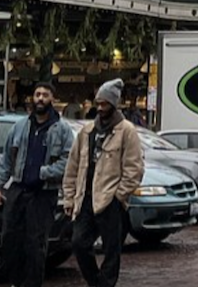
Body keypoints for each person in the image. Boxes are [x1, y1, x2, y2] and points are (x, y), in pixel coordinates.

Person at [63, 78, 144, 287]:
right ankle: (95, 282)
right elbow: (73, 166)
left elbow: (134, 168)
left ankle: (105, 284)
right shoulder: (87, 131)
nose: (100, 108)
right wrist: (69, 197)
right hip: (85, 198)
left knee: (112, 250)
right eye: (98, 103)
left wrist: (119, 195)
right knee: (79, 243)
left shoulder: (126, 131)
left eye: (104, 104)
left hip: (110, 200)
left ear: (114, 104)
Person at [0, 81, 74, 287]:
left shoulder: (62, 130)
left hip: (43, 194)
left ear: (52, 99)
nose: (40, 98)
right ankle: (16, 282)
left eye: (45, 95)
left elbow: (69, 161)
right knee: (10, 239)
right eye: (37, 94)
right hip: (18, 190)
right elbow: (7, 159)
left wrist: (44, 172)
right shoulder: (20, 127)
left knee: (35, 245)